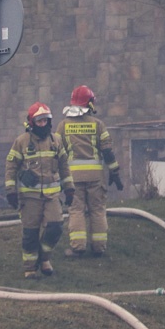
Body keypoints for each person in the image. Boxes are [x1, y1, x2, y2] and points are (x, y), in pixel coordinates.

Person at [5, 102, 73, 278]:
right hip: (29, 198)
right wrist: (11, 190)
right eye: (39, 121)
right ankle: (30, 268)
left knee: (56, 226)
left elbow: (64, 166)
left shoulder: (56, 141)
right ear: (31, 122)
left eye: (45, 120)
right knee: (30, 233)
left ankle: (44, 258)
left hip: (52, 196)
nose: (43, 124)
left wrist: (69, 188)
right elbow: (11, 166)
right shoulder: (21, 142)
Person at [60, 85, 121, 258]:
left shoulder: (63, 126)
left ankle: (78, 247)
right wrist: (114, 172)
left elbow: (57, 152)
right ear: (90, 103)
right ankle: (99, 247)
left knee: (76, 210)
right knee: (97, 210)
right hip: (96, 178)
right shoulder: (98, 125)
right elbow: (107, 151)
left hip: (73, 178)